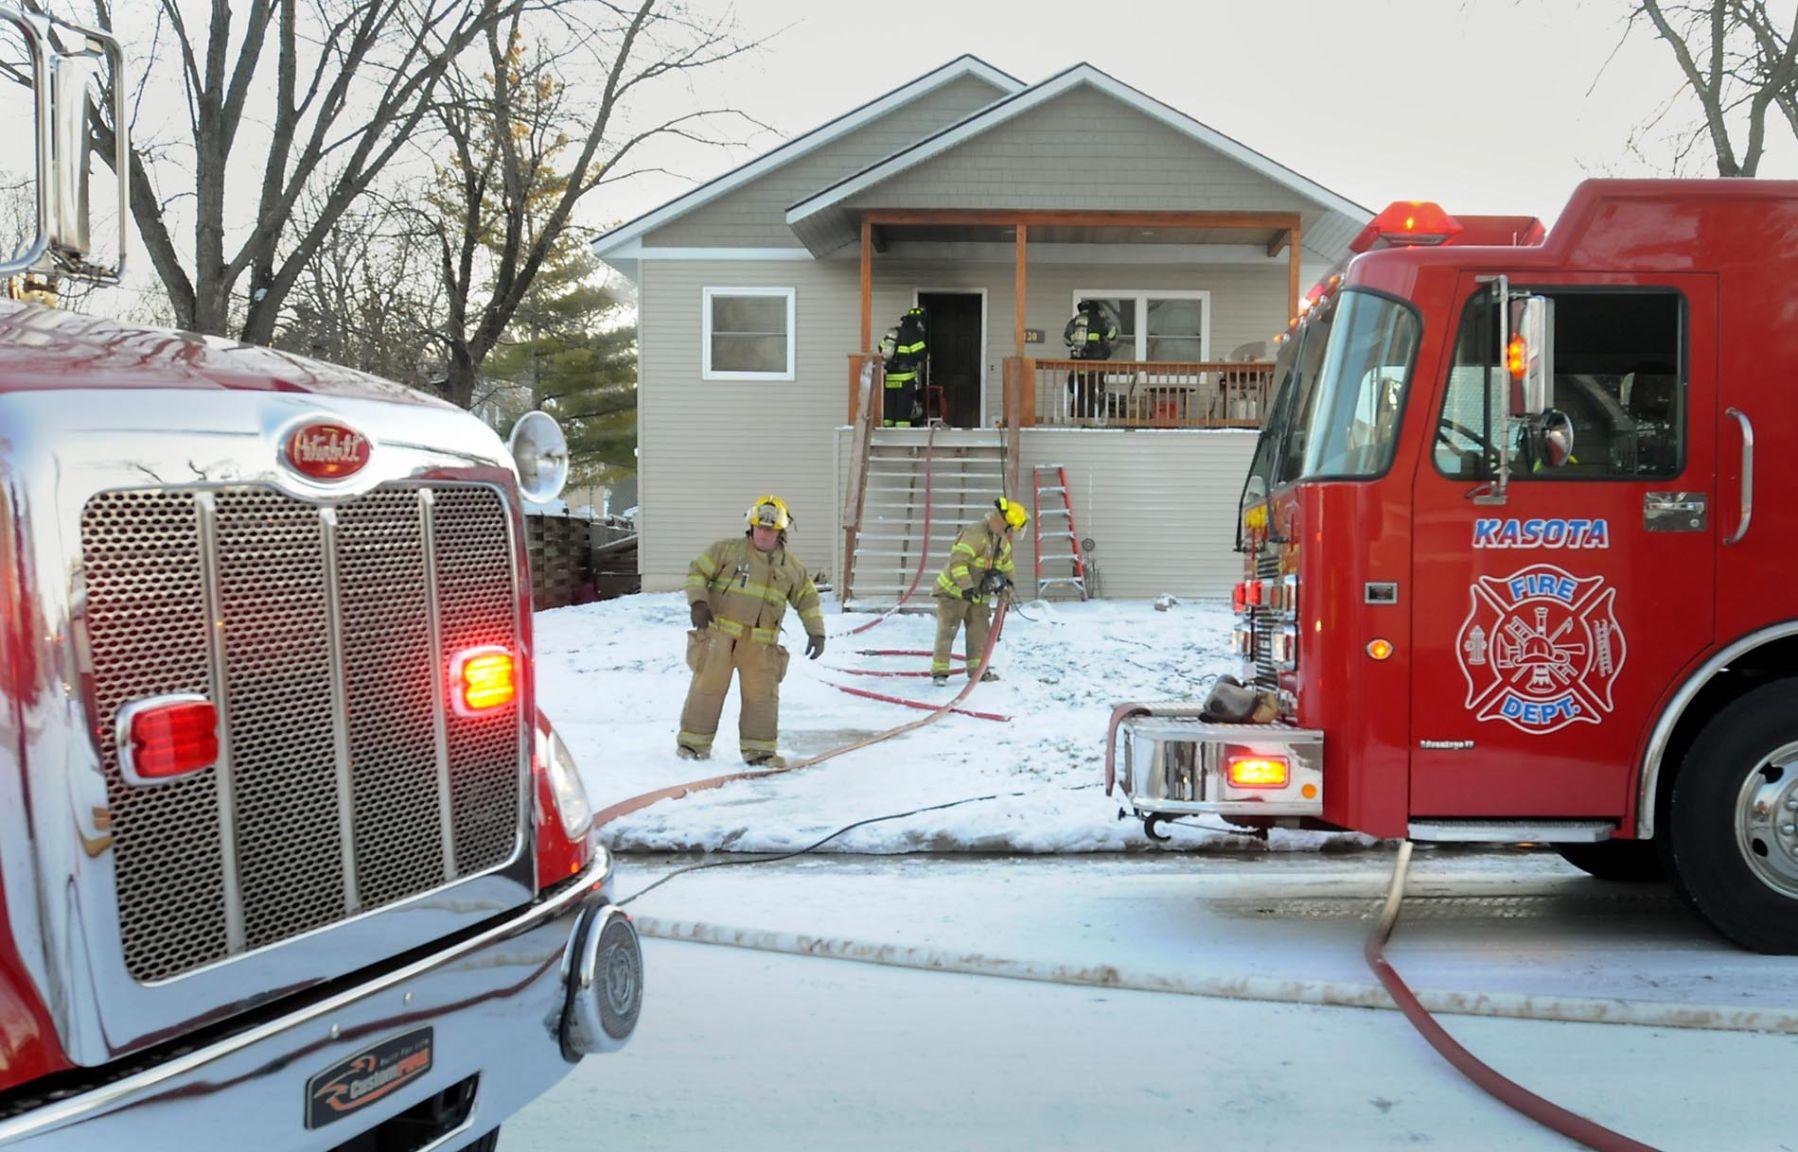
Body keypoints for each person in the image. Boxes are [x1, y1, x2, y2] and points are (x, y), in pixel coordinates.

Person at [678, 495, 825, 766]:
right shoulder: (726, 551)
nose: (764, 534)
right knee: (706, 691)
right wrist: (698, 602)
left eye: (770, 530)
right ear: (751, 526)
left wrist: (816, 632)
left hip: (761, 646)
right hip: (719, 638)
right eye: (760, 528)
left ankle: (759, 752)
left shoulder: (791, 568)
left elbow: (808, 600)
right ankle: (693, 747)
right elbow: (697, 571)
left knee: (762, 698)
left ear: (780, 532)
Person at [931, 497, 1027, 686]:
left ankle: (977, 671)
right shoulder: (975, 533)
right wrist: (966, 586)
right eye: (1010, 529)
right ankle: (940, 673)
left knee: (979, 632)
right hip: (953, 592)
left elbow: (1006, 565)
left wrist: (1008, 584)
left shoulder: (1000, 541)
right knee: (947, 631)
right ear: (1003, 523)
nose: (1009, 534)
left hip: (978, 595)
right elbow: (958, 561)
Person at [1064, 299, 1118, 420]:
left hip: (1077, 367)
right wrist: (1106, 318)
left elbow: (1066, 341)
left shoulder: (1073, 323)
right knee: (1095, 394)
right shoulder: (1099, 320)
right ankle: (1093, 421)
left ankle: (1076, 421)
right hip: (1095, 366)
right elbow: (1112, 335)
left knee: (1078, 395)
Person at [881, 306, 928, 427]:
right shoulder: (914, 335)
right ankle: (901, 437)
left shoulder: (893, 334)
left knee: (889, 409)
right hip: (905, 379)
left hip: (890, 379)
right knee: (903, 411)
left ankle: (887, 433)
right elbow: (921, 355)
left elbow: (881, 348)